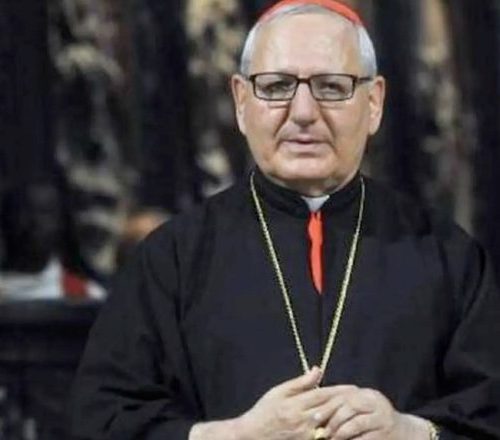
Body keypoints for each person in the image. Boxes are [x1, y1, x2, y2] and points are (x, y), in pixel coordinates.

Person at [69, 1, 500, 439]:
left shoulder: (448, 256)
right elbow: (100, 420)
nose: (304, 112)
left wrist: (413, 432)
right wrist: (234, 436)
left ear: (373, 103)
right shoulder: (172, 260)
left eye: (331, 87)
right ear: (241, 102)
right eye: (276, 87)